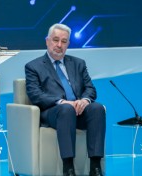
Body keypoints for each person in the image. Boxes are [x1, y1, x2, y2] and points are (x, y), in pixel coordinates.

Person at [25, 23, 106, 176]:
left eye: (64, 41)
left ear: (68, 44)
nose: (59, 45)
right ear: (47, 41)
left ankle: (95, 167)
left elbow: (90, 89)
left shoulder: (78, 63)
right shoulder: (33, 66)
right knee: (66, 109)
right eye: (56, 40)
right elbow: (35, 94)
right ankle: (68, 168)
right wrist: (61, 102)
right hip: (54, 112)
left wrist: (85, 100)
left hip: (78, 110)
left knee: (97, 108)